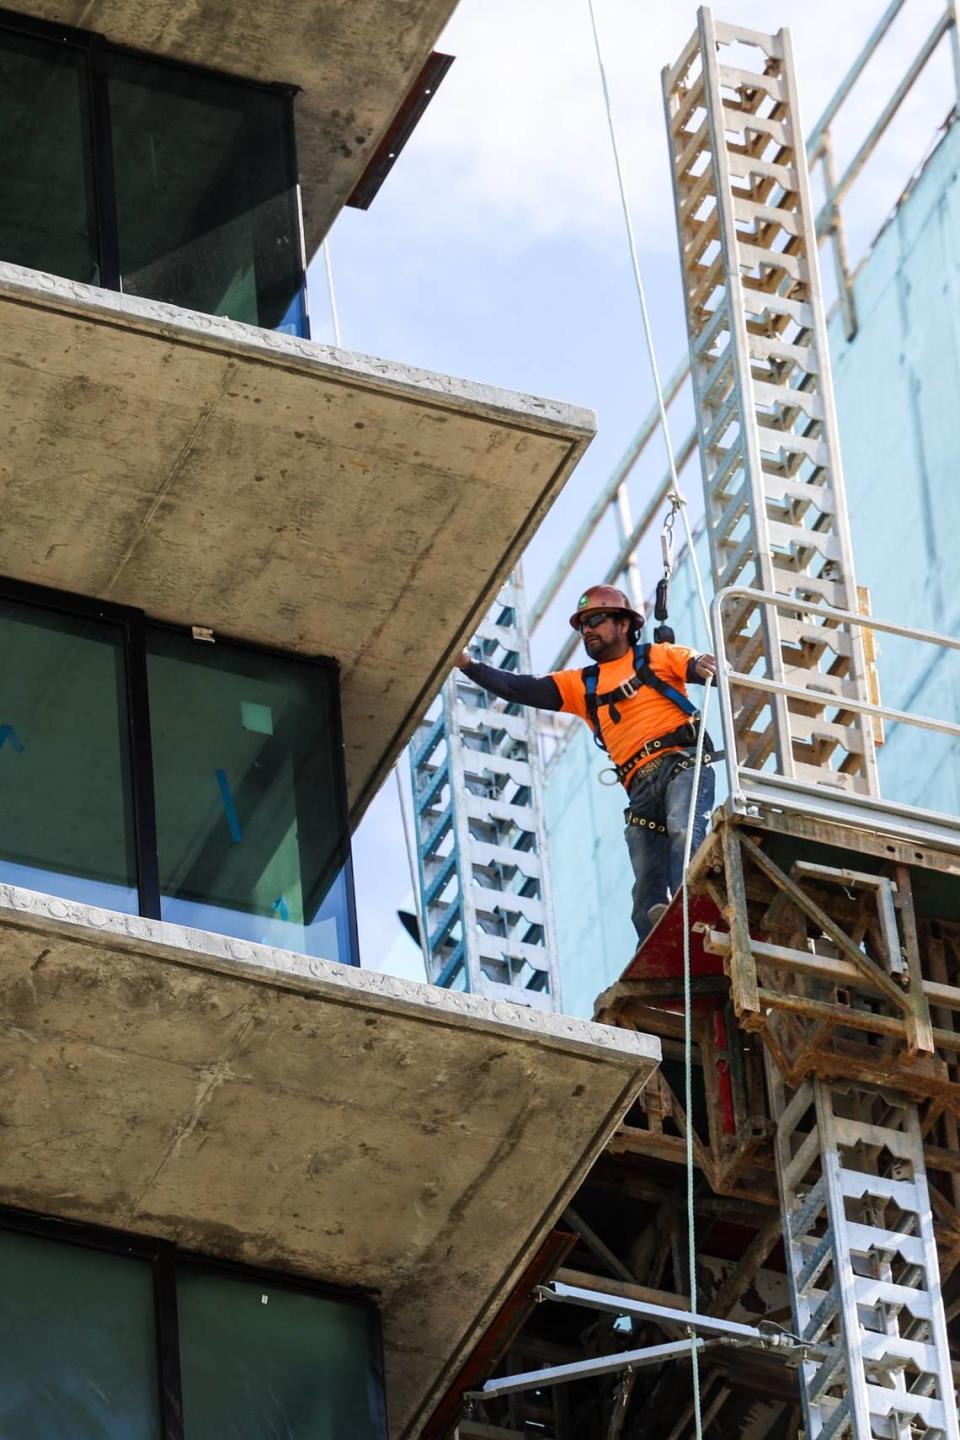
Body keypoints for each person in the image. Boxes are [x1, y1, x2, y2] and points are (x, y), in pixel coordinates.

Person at [457, 583, 716, 947]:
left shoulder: (658, 656)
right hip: (639, 786)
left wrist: (706, 667)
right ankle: (658, 952)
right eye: (582, 626)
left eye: (595, 620)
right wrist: (467, 664)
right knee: (645, 886)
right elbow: (518, 688)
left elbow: (697, 665)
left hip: (681, 764)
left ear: (624, 624)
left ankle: (694, 910)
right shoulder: (583, 685)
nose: (587, 630)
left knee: (683, 831)